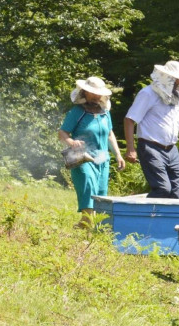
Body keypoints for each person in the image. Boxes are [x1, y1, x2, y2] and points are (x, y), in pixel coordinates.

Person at [124, 60, 179, 199]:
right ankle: (145, 217)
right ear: (168, 78)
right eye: (177, 81)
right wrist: (130, 148)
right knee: (162, 189)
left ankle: (172, 221)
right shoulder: (148, 93)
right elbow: (129, 120)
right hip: (150, 147)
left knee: (176, 193)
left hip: (172, 149)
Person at [58, 76, 125, 227]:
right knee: (87, 185)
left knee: (101, 192)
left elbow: (109, 134)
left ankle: (95, 225)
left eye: (98, 93)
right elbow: (62, 133)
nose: (95, 96)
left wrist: (118, 155)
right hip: (82, 157)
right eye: (92, 93)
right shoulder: (77, 112)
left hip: (102, 158)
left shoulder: (105, 112)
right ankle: (88, 222)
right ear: (84, 93)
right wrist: (71, 142)